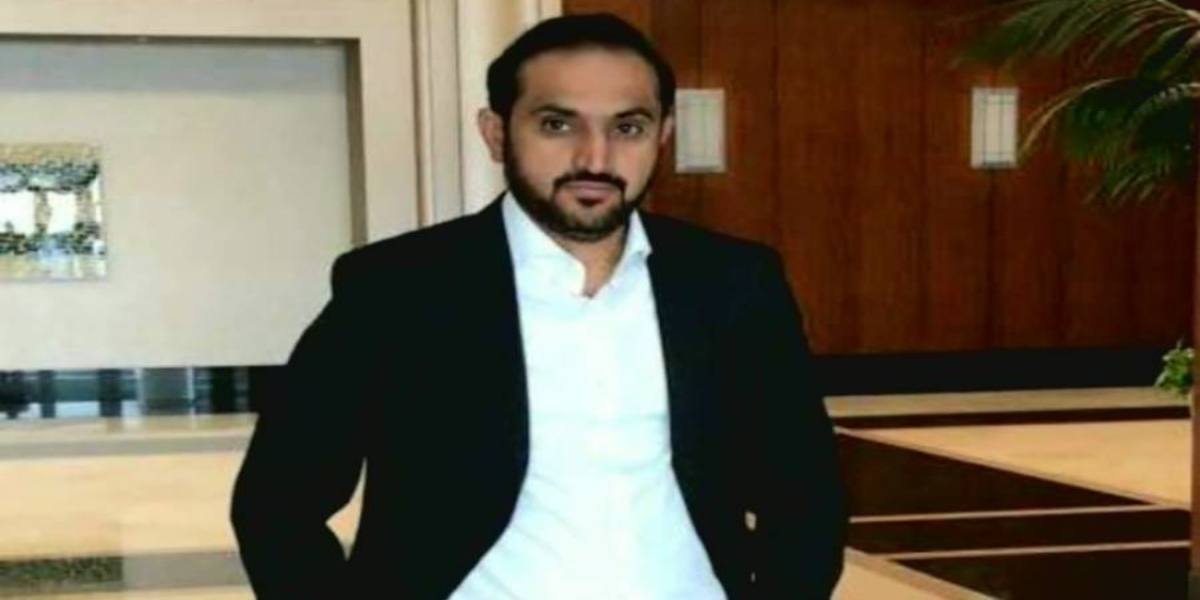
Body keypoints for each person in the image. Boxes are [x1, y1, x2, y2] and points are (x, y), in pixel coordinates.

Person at [231, 13, 845, 600]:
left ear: (662, 135)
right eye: (558, 124)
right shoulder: (399, 290)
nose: (595, 158)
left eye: (627, 128)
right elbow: (278, 503)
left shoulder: (733, 285)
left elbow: (805, 494)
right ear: (496, 134)